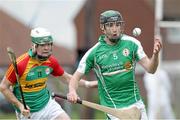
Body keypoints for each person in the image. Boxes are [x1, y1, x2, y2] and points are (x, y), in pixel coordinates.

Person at [67, 10, 162, 120]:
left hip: (136, 105)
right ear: (102, 27)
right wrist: (72, 91)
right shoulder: (94, 53)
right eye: (110, 25)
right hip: (113, 110)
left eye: (118, 24)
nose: (115, 29)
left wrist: (155, 55)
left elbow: (151, 69)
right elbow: (75, 78)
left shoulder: (132, 44)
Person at [0, 27, 97, 120]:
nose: (47, 48)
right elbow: (3, 87)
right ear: (34, 46)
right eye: (42, 45)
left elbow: (67, 78)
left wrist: (88, 84)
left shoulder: (51, 62)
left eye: (49, 44)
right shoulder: (20, 64)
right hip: (28, 112)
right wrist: (20, 106)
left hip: (47, 105)